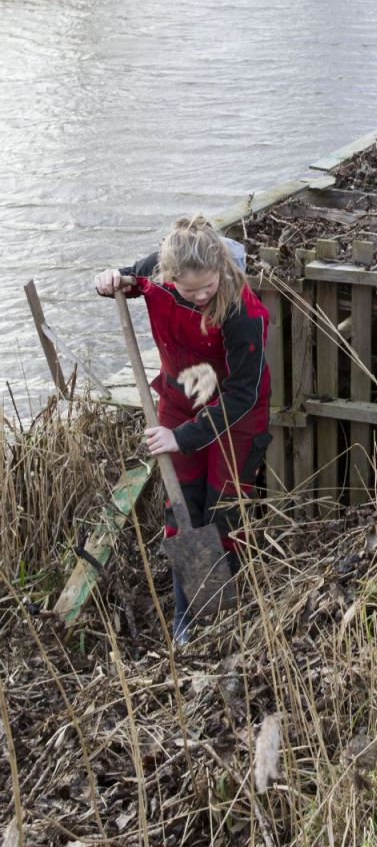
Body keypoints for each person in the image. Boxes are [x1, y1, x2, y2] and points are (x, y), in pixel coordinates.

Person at [94, 215, 270, 645]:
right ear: (170, 275)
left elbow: (243, 393)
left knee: (224, 511)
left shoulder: (243, 311)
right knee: (182, 511)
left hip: (235, 414)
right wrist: (113, 279)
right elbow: (131, 277)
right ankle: (185, 617)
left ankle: (226, 615)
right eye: (189, 291)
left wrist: (183, 438)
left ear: (222, 269)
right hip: (179, 399)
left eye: (208, 286)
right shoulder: (159, 269)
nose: (201, 295)